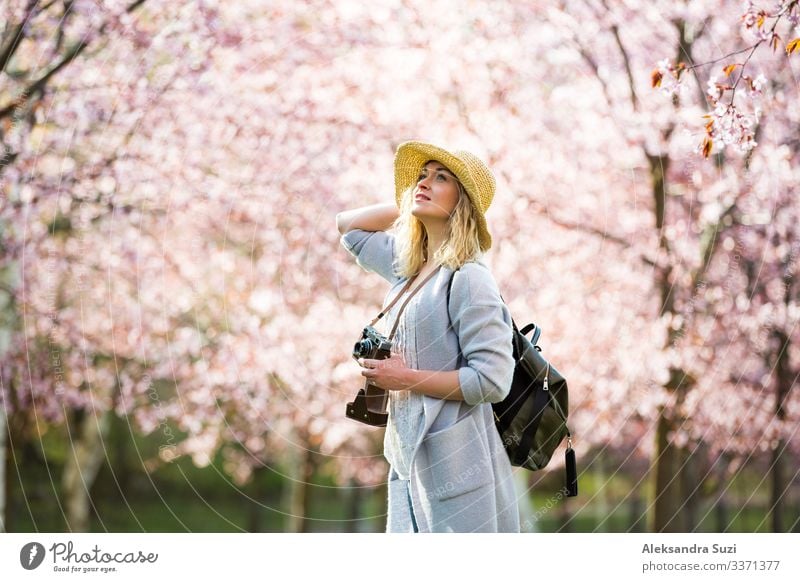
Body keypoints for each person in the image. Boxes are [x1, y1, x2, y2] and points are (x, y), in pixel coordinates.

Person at [336, 140, 519, 533]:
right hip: (406, 461)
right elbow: (347, 226)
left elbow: (493, 379)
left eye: (441, 177)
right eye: (421, 175)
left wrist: (405, 379)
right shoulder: (408, 268)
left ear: (462, 201)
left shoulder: (469, 277)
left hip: (457, 466)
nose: (424, 182)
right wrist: (408, 202)